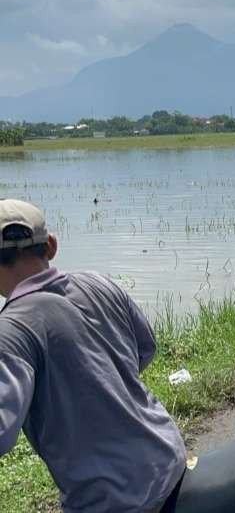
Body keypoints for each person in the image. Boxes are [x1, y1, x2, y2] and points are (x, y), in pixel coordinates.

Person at [0, 199, 186, 512]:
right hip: (168, 460)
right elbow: (146, 349)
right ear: (51, 245)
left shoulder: (11, 331)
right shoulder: (99, 283)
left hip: (112, 501)